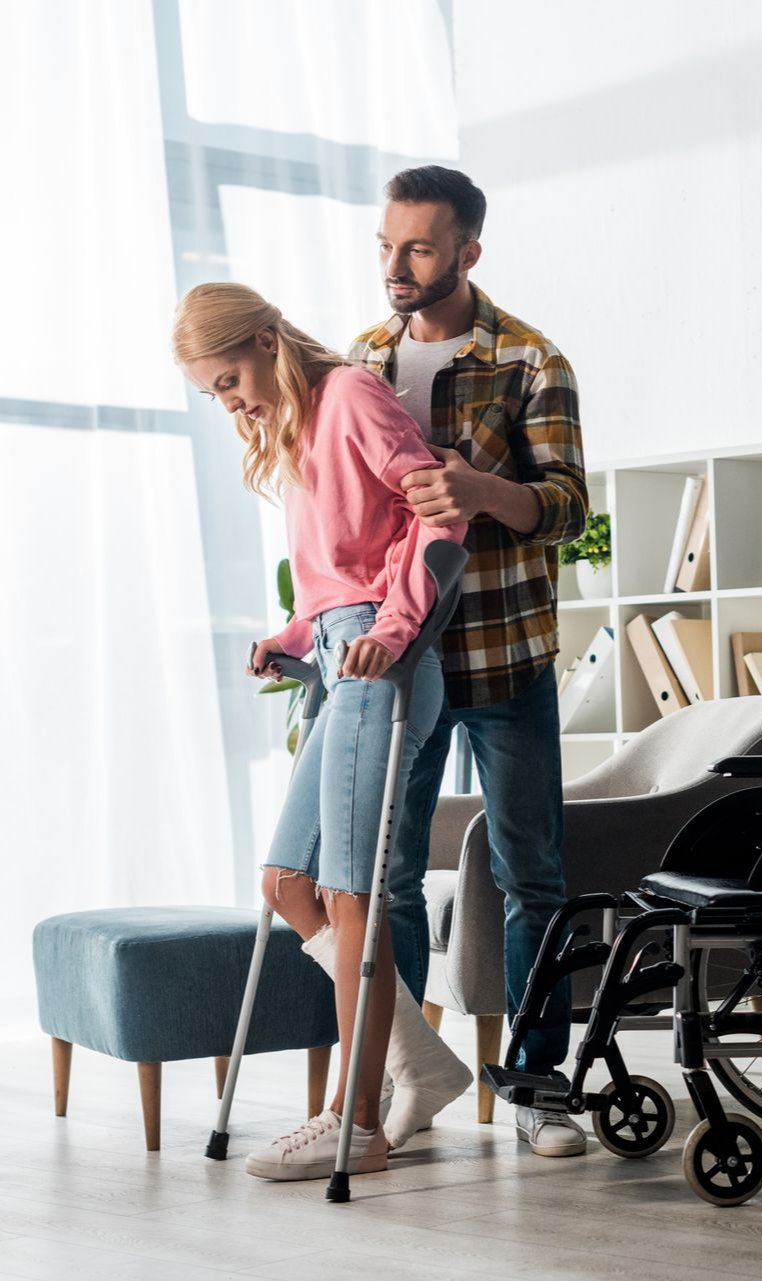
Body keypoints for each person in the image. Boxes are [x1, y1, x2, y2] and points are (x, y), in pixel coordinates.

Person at [172, 282, 474, 1180]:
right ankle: (419, 1062)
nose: (230, 403)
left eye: (230, 380)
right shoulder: (303, 424)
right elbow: (341, 576)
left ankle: (357, 1121)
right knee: (284, 880)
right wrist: (293, 635)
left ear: (267, 342)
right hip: (341, 652)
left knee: (353, 892)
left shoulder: (349, 398)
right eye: (213, 394)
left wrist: (388, 631)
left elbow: (437, 517)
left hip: (387, 660)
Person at [349, 166, 590, 1157]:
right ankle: (412, 1081)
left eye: (417, 248)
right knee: (391, 873)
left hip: (502, 659)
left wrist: (486, 491)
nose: (396, 267)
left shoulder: (532, 360)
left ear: (467, 253)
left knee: (532, 874)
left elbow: (569, 507)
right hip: (401, 663)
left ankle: (538, 1089)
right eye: (386, 245)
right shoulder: (358, 360)